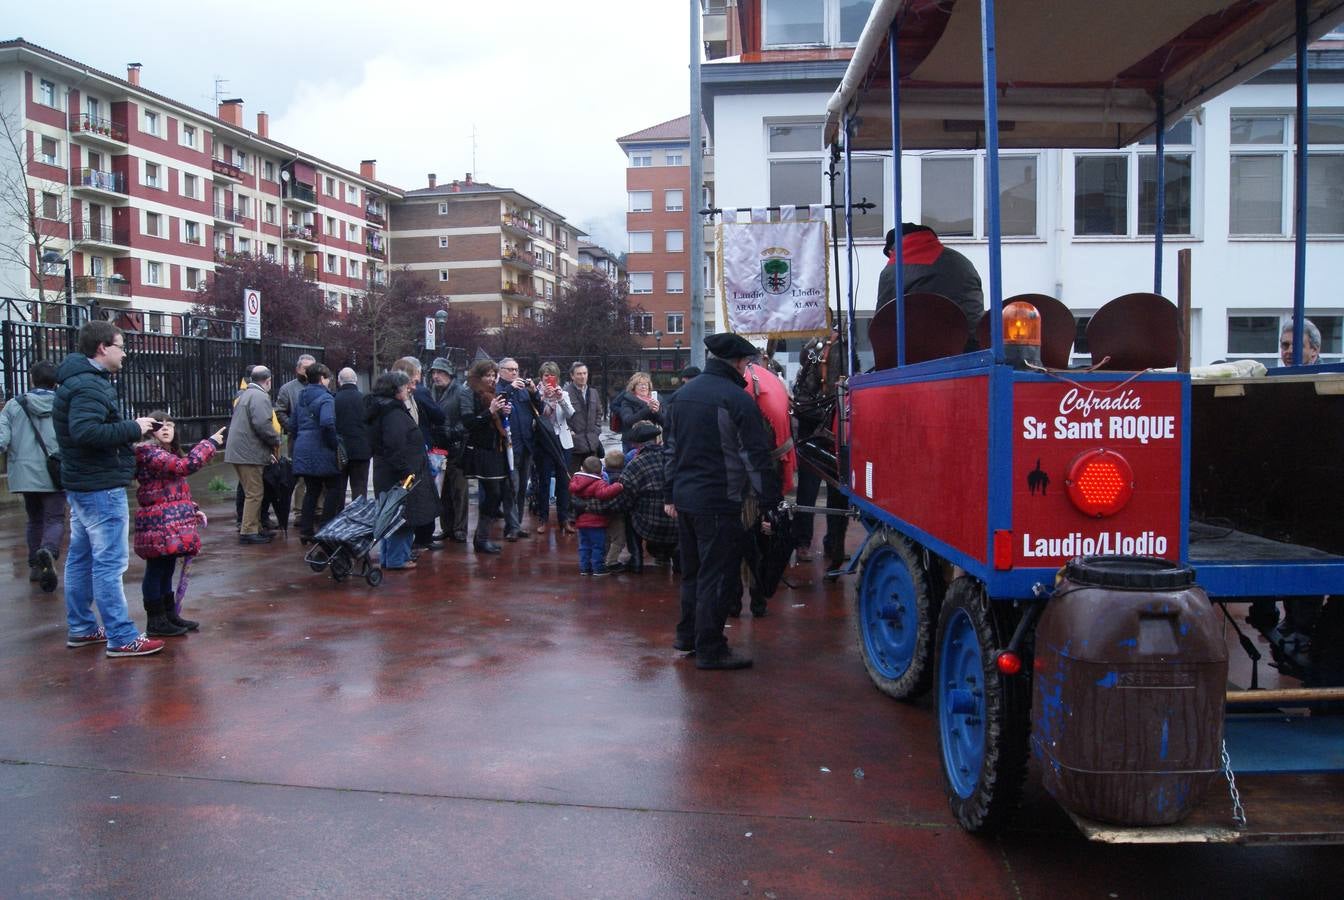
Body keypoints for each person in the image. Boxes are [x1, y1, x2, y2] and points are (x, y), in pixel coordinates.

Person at [665, 332, 783, 670]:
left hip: (686, 500)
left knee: (693, 574)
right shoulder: (737, 399)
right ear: (737, 362)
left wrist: (669, 493)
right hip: (719, 501)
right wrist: (770, 499)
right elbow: (754, 457)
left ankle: (687, 638)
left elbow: (670, 451)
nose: (748, 370)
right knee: (717, 576)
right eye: (747, 364)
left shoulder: (681, 396)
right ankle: (711, 648)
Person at [53, 320, 164, 658]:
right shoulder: (90, 386)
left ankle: (84, 628)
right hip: (99, 484)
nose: (125, 353)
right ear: (103, 347)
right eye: (121, 346)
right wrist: (134, 427)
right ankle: (121, 636)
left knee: (82, 557)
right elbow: (86, 432)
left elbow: (83, 431)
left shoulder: (77, 381)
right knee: (108, 563)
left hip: (83, 482)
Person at [133, 412, 224, 636]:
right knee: (156, 569)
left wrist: (191, 509)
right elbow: (185, 466)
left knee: (167, 567)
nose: (166, 429)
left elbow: (174, 490)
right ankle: (156, 620)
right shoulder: (148, 452)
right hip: (157, 521)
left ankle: (168, 614)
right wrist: (210, 443)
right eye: (160, 425)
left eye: (170, 425)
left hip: (169, 520)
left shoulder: (167, 453)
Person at [0, 359, 65, 592]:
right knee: (54, 518)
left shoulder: (13, 405)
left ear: (31, 378)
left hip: (25, 474)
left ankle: (36, 566)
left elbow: (2, 440)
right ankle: (48, 550)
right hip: (56, 471)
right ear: (56, 381)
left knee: (34, 519)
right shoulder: (63, 404)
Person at [365, 370, 438, 570]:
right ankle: (398, 559)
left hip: (389, 473)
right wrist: (408, 472)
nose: (410, 389)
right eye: (406, 386)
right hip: (401, 476)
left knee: (392, 515)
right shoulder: (393, 414)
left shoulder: (383, 409)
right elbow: (395, 446)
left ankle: (391, 558)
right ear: (396, 390)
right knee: (402, 517)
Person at [876, 224, 985, 334]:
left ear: (892, 250)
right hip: (973, 342)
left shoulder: (894, 270)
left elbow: (882, 320)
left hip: (923, 347)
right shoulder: (961, 261)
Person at [393, 356, 446, 551]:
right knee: (420, 494)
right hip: (416, 452)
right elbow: (439, 416)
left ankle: (413, 541)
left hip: (409, 453)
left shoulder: (393, 397)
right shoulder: (418, 394)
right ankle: (422, 538)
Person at [226, 366, 282, 545]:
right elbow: (262, 424)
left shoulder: (244, 394)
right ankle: (249, 530)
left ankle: (255, 527)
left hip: (240, 450)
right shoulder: (260, 396)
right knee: (255, 493)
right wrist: (276, 440)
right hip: (248, 452)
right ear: (268, 381)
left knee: (252, 491)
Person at [463, 359, 512, 554]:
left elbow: (497, 422)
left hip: (497, 448)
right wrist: (489, 412)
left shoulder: (492, 393)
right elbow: (469, 422)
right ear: (479, 376)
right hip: (483, 450)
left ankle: (482, 537)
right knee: (493, 493)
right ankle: (480, 538)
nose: (491, 379)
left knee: (498, 493)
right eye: (488, 375)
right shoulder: (470, 393)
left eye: (494, 375)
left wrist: (503, 412)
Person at [292, 363, 344, 541]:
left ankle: (306, 530)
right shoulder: (326, 398)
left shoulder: (301, 396)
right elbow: (327, 422)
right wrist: (333, 444)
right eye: (328, 378)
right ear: (322, 378)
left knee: (312, 490)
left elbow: (293, 424)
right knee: (334, 488)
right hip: (322, 448)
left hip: (303, 447)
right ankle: (326, 526)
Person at [617, 422, 679, 570]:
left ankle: (636, 559)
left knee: (627, 512)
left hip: (647, 525)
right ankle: (679, 560)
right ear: (657, 440)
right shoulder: (675, 459)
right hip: (677, 522)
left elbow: (624, 498)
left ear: (636, 444)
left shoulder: (635, 464)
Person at [428, 357, 471, 543]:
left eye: (439, 372)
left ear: (448, 373)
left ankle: (460, 528)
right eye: (434, 373)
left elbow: (467, 419)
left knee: (459, 491)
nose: (436, 376)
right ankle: (447, 527)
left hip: (457, 449)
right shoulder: (432, 392)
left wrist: (453, 432)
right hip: (439, 450)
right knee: (443, 490)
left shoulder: (461, 392)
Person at [533, 360, 575, 534]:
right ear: (541, 378)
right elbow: (537, 418)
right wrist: (544, 399)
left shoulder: (563, 393)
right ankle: (543, 518)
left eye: (553, 376)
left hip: (562, 440)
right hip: (544, 442)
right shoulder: (535, 394)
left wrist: (560, 399)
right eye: (546, 376)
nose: (549, 379)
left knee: (563, 481)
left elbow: (571, 414)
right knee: (543, 480)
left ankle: (563, 519)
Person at [496, 357, 535, 539]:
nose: (514, 373)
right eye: (510, 369)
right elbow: (498, 405)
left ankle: (516, 524)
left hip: (526, 444)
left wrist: (534, 393)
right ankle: (511, 526)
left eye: (516, 369)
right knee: (512, 486)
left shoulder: (523, 390)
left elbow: (538, 410)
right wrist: (509, 389)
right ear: (501, 370)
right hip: (510, 446)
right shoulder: (499, 389)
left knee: (521, 489)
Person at [569, 456, 625, 575]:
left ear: (582, 469)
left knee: (584, 546)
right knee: (598, 546)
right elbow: (604, 494)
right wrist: (618, 486)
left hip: (581, 521)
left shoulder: (576, 481)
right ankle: (598, 568)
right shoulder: (598, 482)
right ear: (600, 471)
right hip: (596, 522)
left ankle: (584, 567)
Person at [333, 367, 371, 502]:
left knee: (338, 490)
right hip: (362, 451)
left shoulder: (334, 399)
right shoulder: (365, 399)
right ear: (355, 381)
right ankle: (359, 519)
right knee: (360, 488)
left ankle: (338, 519)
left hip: (339, 451)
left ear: (339, 381)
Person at [564, 361, 603, 476]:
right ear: (572, 376)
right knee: (574, 478)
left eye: (585, 373)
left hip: (592, 443)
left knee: (593, 478)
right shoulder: (566, 393)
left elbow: (599, 413)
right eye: (579, 374)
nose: (582, 376)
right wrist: (570, 432)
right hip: (575, 445)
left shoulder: (593, 392)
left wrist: (596, 430)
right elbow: (563, 416)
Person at [611, 371, 663, 453]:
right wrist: (647, 409)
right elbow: (628, 421)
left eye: (646, 384)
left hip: (653, 441)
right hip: (632, 442)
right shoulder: (628, 400)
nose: (643, 387)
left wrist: (657, 411)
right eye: (640, 384)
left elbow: (666, 421)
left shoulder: (658, 400)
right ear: (633, 387)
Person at [601, 448, 629, 573]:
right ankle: (611, 561)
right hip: (617, 513)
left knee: (606, 537)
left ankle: (603, 558)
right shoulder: (623, 478)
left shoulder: (602, 476)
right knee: (619, 539)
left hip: (603, 512)